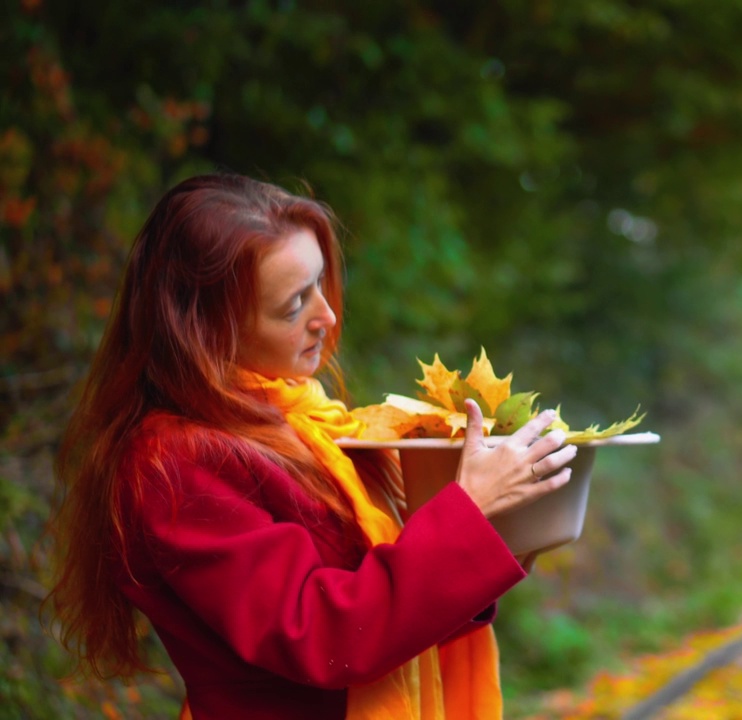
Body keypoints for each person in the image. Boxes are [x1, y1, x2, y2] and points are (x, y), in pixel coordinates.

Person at [47, 173, 577, 719]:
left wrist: (503, 532)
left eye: (321, 284)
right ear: (206, 331)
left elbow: (387, 608)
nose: (326, 316)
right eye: (294, 305)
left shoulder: (303, 424)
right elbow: (328, 638)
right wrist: (465, 516)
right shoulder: (175, 465)